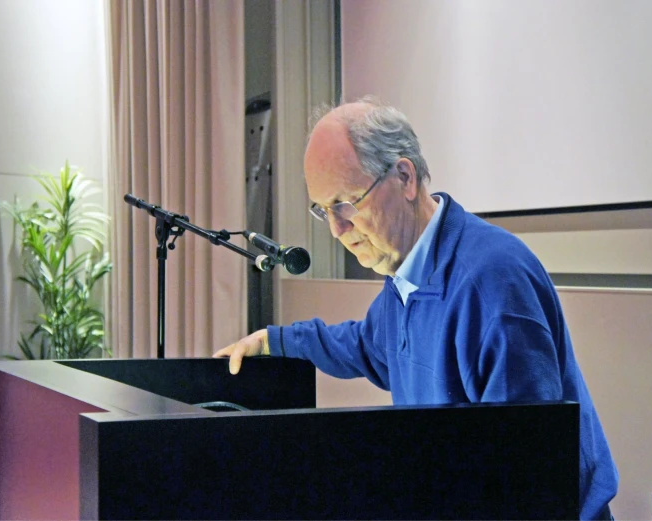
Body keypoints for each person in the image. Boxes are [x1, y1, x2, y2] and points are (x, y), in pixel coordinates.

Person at [214, 98, 618, 520]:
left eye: (347, 202)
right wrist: (274, 341)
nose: (337, 229)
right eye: (324, 210)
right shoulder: (407, 278)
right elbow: (365, 345)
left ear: (404, 177)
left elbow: (523, 472)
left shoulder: (493, 281)